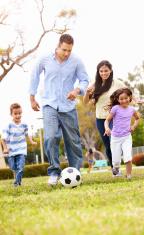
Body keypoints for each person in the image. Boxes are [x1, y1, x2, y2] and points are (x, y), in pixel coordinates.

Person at [29, 34, 89, 185]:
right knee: (50, 137)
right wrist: (32, 98)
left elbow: (84, 80)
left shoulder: (76, 61)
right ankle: (54, 172)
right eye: (64, 50)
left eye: (69, 50)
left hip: (68, 106)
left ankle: (75, 172)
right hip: (49, 104)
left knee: (73, 141)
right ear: (58, 45)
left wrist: (76, 91)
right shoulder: (45, 59)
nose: (67, 53)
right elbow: (34, 76)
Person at [83, 60, 125, 174]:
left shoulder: (117, 83)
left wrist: (135, 101)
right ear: (98, 72)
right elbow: (85, 102)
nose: (103, 73)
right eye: (101, 71)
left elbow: (128, 94)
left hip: (114, 118)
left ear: (110, 71)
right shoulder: (94, 84)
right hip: (100, 119)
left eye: (106, 71)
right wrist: (87, 93)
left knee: (114, 142)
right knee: (107, 145)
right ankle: (114, 168)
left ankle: (117, 168)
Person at [104, 88, 140, 179]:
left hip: (127, 137)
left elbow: (137, 119)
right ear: (118, 100)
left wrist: (133, 126)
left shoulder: (132, 109)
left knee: (127, 156)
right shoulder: (115, 108)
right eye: (121, 99)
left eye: (126, 98)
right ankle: (116, 169)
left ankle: (128, 176)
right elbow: (107, 120)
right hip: (115, 138)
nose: (124, 101)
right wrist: (107, 128)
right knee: (116, 161)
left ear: (129, 97)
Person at [1, 103, 37, 187]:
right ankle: (18, 182)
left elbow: (28, 133)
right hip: (11, 151)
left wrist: (31, 141)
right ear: (11, 114)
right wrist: (5, 148)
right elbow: (3, 139)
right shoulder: (8, 125)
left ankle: (16, 184)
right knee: (14, 168)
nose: (18, 115)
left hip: (21, 150)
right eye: (15, 114)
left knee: (20, 167)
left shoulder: (24, 124)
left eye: (19, 113)